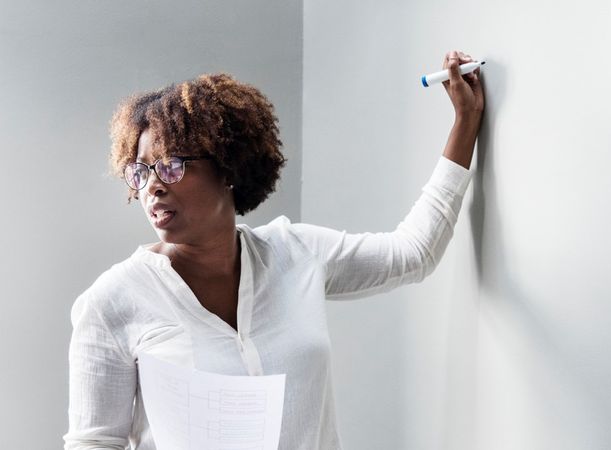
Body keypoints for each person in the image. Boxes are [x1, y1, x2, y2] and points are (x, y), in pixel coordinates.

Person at [64, 50, 484, 450]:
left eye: (172, 165)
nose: (152, 186)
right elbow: (93, 442)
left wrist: (465, 123)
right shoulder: (112, 302)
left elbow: (413, 253)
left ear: (227, 167)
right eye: (140, 171)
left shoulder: (295, 253)